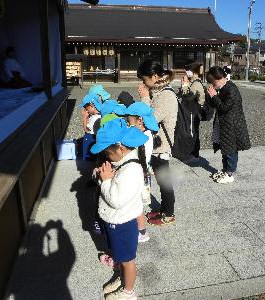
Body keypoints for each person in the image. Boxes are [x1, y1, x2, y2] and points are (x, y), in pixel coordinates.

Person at [90, 118, 148, 300]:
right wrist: (102, 176)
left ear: (121, 149)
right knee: (120, 256)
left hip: (122, 223)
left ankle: (128, 291)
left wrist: (106, 180)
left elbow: (116, 199)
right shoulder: (122, 162)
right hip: (115, 221)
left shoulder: (131, 171)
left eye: (108, 153)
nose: (107, 157)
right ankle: (122, 278)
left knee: (128, 260)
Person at [137, 59, 177, 226]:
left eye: (145, 79)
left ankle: (168, 214)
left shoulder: (166, 94)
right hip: (157, 144)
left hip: (162, 146)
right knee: (161, 180)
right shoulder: (159, 91)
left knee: (164, 181)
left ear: (154, 76)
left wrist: (145, 98)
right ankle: (163, 209)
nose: (144, 83)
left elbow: (151, 119)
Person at [206, 66, 251, 184]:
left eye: (213, 82)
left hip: (232, 125)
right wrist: (212, 96)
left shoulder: (231, 89)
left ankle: (230, 173)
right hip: (226, 124)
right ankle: (225, 170)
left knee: (230, 149)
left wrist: (214, 96)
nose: (212, 85)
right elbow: (216, 105)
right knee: (225, 149)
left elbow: (224, 108)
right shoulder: (224, 87)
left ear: (219, 78)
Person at [126, 102, 159, 242]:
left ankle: (141, 231)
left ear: (140, 120)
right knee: (135, 204)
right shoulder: (147, 133)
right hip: (141, 174)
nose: (128, 124)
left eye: (129, 121)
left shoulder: (143, 137)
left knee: (136, 206)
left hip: (138, 175)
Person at [180, 61, 206, 163]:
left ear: (194, 71)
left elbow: (189, 97)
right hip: (190, 111)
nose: (187, 72)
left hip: (193, 112)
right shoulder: (193, 82)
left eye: (188, 70)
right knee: (191, 131)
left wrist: (185, 85)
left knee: (192, 133)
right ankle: (191, 154)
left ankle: (193, 155)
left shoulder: (196, 84)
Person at [79, 93, 102, 160]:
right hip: (98, 143)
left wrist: (84, 118)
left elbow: (87, 131)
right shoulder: (101, 114)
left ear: (92, 105)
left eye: (86, 108)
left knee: (92, 162)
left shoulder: (94, 118)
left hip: (92, 144)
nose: (86, 110)